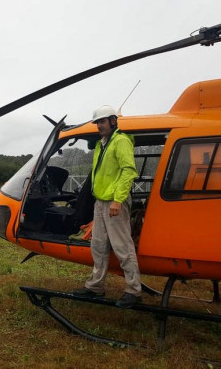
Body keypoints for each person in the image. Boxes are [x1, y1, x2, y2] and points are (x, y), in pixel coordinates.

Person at [73, 105, 142, 308]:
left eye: (102, 122)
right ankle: (95, 287)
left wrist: (118, 200)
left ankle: (134, 290)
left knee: (122, 246)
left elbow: (128, 171)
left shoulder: (120, 141)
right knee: (98, 245)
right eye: (97, 123)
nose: (99, 126)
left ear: (113, 121)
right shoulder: (101, 144)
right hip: (100, 201)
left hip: (114, 202)